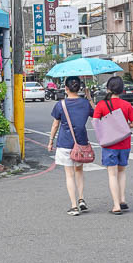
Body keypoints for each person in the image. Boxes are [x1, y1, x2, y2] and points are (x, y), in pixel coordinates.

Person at [93, 76, 133, 215]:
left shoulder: (101, 105)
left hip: (109, 144)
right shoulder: (127, 105)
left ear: (108, 88)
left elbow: (95, 122)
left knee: (112, 174)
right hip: (124, 143)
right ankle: (122, 199)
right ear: (122, 89)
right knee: (122, 172)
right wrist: (123, 126)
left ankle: (116, 205)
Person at [48, 76, 93, 216]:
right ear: (79, 88)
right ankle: (81, 199)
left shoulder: (60, 105)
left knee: (69, 175)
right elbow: (96, 114)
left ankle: (74, 206)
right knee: (79, 171)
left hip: (65, 143)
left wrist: (50, 141)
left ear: (66, 88)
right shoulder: (85, 104)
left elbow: (55, 124)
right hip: (81, 143)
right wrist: (89, 97)